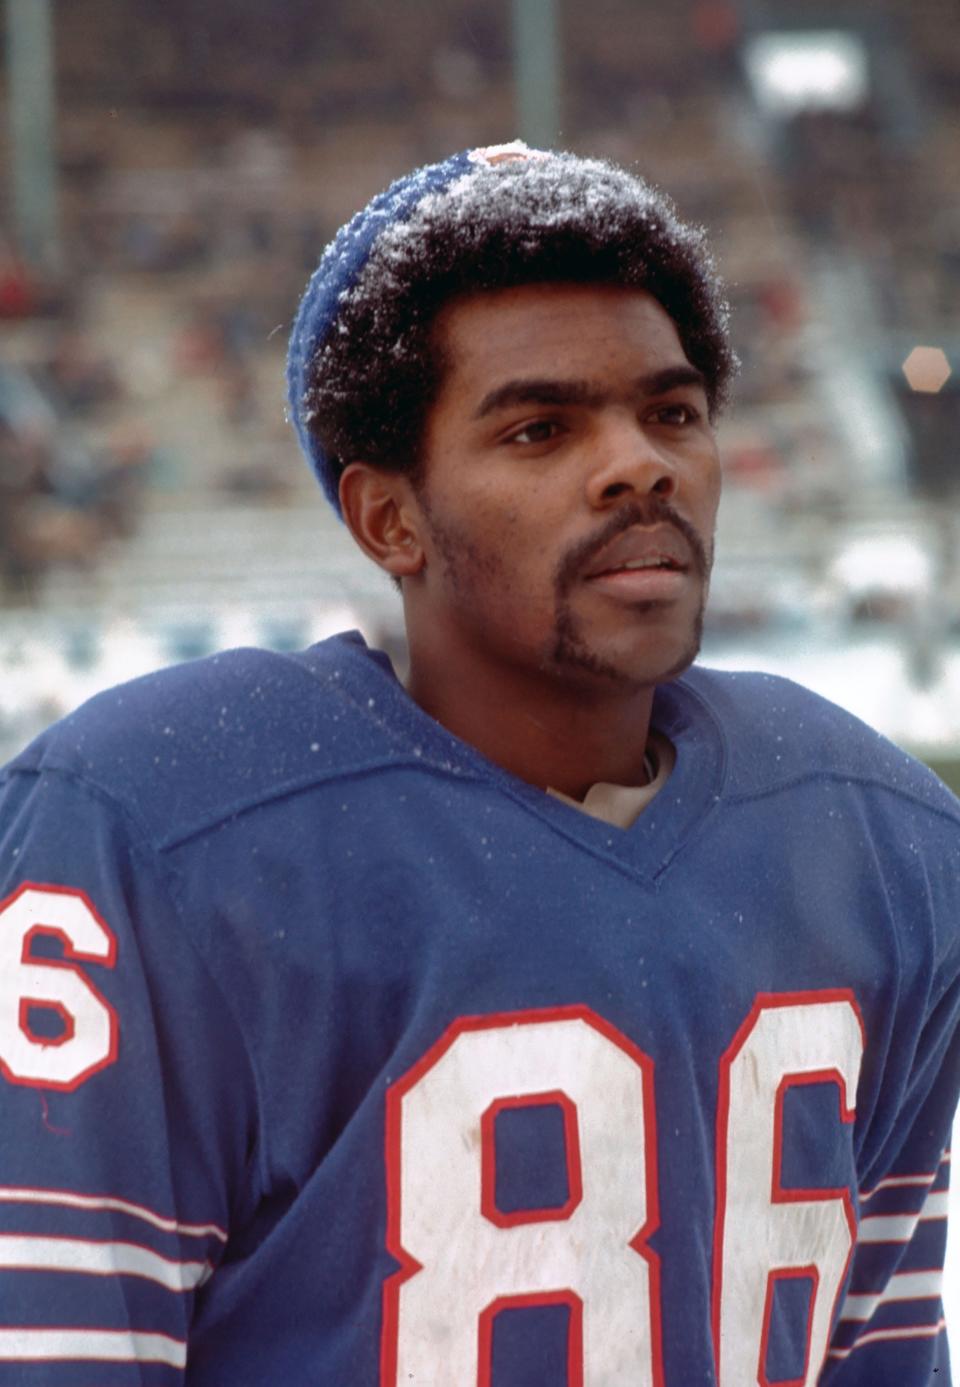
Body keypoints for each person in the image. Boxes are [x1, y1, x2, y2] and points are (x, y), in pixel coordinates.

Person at [0, 142, 957, 1386]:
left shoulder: (878, 841)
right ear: (388, 517)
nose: (640, 464)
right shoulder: (154, 826)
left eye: (671, 412)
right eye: (541, 428)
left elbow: (880, 1348)